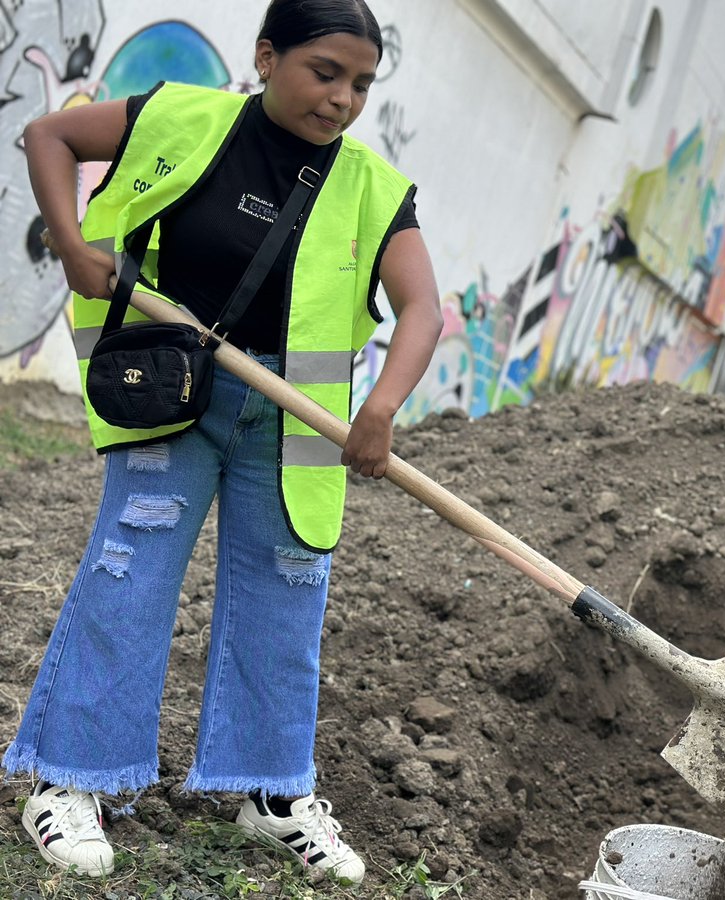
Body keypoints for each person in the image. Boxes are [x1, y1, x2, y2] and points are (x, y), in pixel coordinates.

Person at [2, 0, 443, 885]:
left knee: (289, 593)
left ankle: (272, 793)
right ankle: (70, 782)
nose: (342, 100)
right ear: (267, 56)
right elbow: (47, 135)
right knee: (132, 570)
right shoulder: (178, 115)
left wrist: (383, 407)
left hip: (298, 416)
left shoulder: (372, 187)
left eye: (360, 84)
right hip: (173, 385)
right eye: (325, 73)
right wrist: (72, 240)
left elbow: (425, 311)